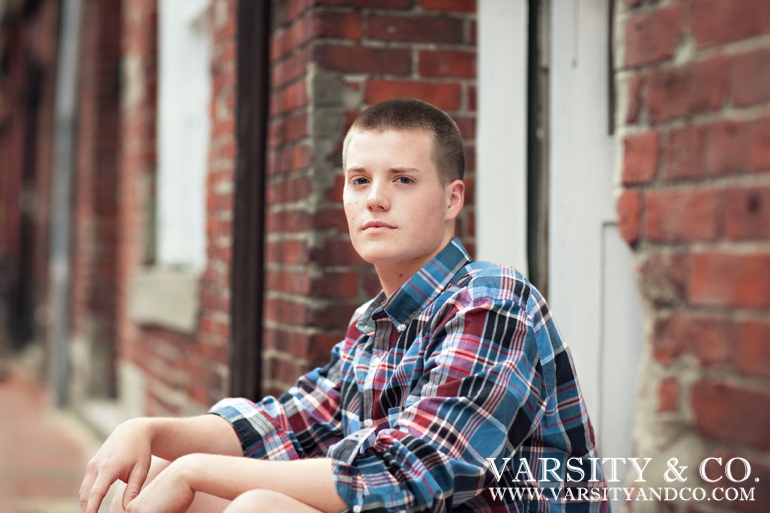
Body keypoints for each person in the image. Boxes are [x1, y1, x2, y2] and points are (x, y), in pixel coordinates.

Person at [80, 98, 608, 513]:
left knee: (257, 505)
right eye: (360, 180)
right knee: (162, 471)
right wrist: (147, 431)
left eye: (402, 179)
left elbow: (411, 471)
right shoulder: (374, 324)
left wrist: (195, 469)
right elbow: (287, 426)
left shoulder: (492, 301)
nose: (375, 198)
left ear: (452, 199)